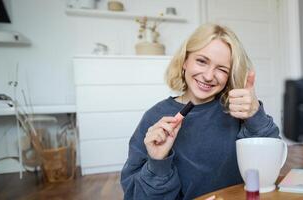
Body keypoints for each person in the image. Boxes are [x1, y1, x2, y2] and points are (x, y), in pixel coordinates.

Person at [120, 23, 280, 199]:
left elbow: (271, 165)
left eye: (222, 69)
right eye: (202, 61)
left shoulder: (239, 112)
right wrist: (158, 163)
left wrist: (255, 115)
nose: (209, 76)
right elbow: (135, 195)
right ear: (184, 61)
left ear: (229, 76)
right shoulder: (154, 117)